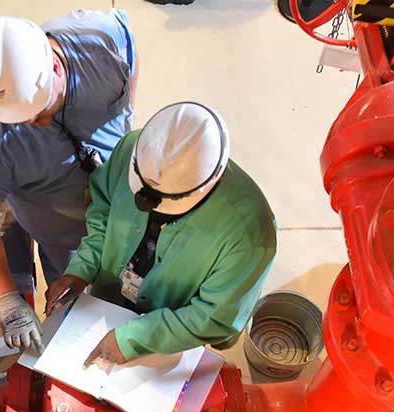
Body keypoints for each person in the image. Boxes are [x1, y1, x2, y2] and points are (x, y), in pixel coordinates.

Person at [0, 10, 138, 352]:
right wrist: (8, 301)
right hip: (62, 232)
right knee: (71, 292)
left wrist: (125, 119)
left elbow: (131, 65)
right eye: (23, 118)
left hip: (125, 201)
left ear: (54, 65)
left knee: (131, 277)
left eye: (41, 110)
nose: (34, 122)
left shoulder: (99, 39)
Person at [45, 102, 277, 367]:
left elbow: (215, 318)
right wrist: (83, 267)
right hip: (110, 298)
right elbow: (102, 210)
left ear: (215, 181)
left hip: (169, 336)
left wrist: (139, 338)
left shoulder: (251, 236)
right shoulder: (132, 149)